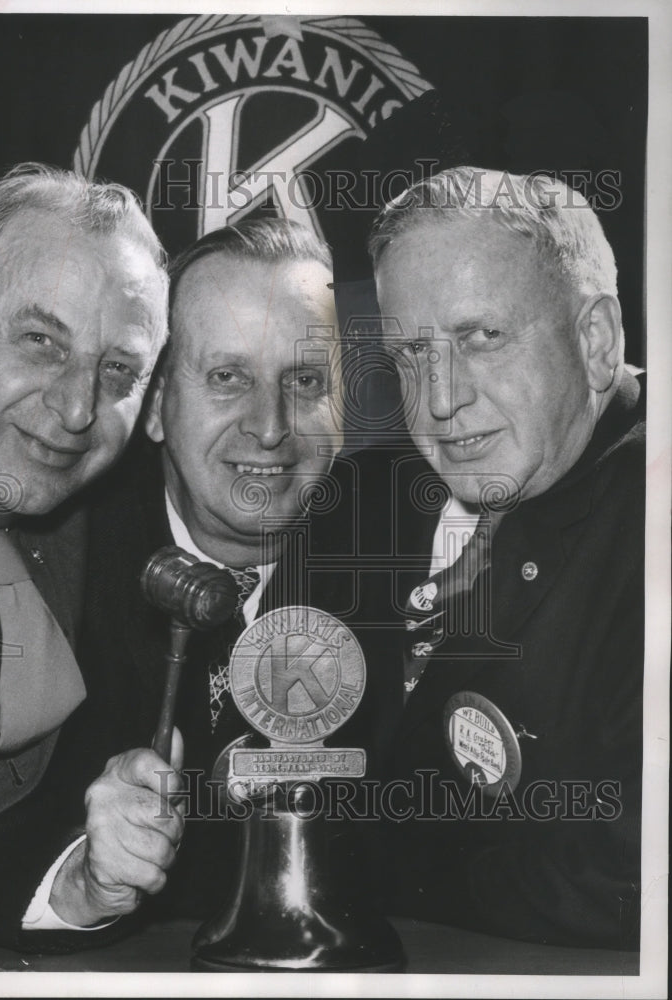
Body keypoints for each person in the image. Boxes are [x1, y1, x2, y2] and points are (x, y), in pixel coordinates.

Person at [311, 166, 644, 949]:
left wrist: (357, 861)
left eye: (481, 338)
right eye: (410, 355)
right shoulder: (355, 502)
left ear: (594, 341)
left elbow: (627, 874)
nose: (438, 400)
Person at [0, 164, 182, 970]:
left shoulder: (59, 500)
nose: (78, 409)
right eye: (40, 342)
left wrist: (81, 885)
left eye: (117, 370)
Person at [79, 217, 344, 914]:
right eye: (228, 377)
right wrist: (81, 874)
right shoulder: (60, 564)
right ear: (158, 403)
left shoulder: (407, 565)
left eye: (305, 380)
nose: (269, 426)